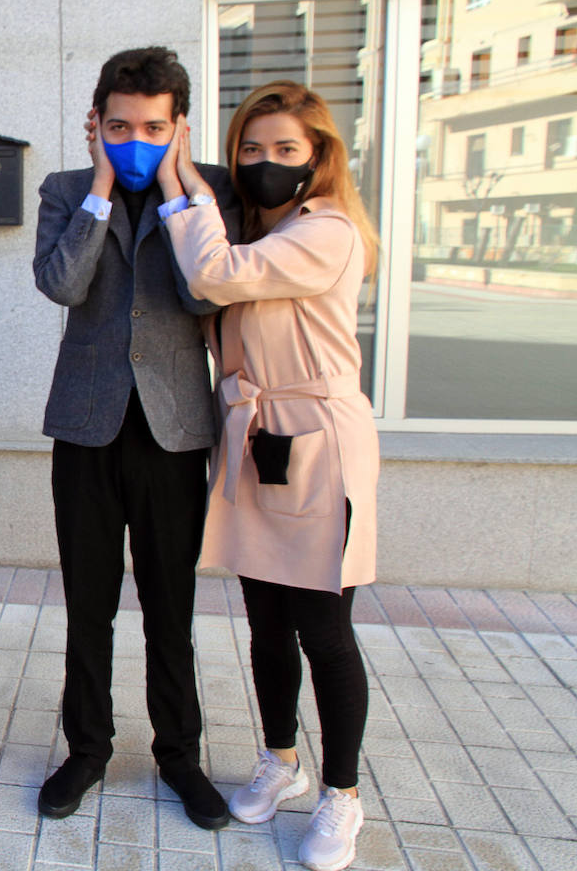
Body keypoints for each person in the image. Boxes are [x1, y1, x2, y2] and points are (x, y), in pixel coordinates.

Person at [159, 80, 380, 871]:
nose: (264, 163)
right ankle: (281, 762)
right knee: (265, 625)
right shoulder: (261, 235)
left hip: (319, 442)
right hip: (253, 443)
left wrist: (183, 184)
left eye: (284, 150)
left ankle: (342, 798)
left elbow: (213, 275)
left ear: (318, 156)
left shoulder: (326, 231)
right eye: (249, 149)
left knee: (324, 628)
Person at [32, 46, 240, 828]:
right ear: (97, 123)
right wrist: (100, 188)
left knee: (170, 607)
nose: (136, 138)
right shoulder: (66, 191)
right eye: (119, 125)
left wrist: (182, 185)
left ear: (179, 125)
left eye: (153, 126)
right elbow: (62, 284)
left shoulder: (211, 191)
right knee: (89, 605)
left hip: (174, 429)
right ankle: (86, 750)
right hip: (86, 428)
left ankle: (179, 756)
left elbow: (203, 292)